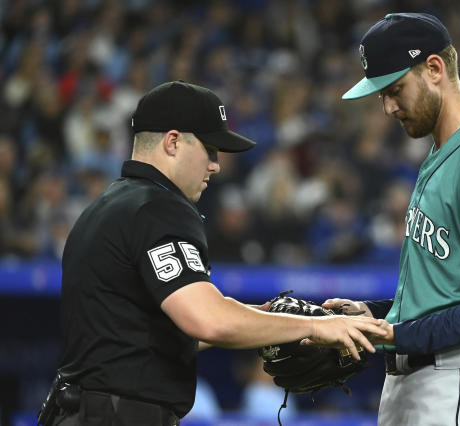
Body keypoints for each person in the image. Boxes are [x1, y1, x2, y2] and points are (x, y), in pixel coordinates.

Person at [39, 80, 388, 426]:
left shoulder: (110, 206)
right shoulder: (159, 208)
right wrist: (313, 326)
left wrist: (263, 317)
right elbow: (209, 320)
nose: (216, 164)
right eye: (209, 148)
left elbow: (154, 333)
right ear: (173, 142)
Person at [318, 13, 460, 425]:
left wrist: (400, 333)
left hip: (459, 380)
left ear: (434, 68)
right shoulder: (442, 152)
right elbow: (447, 291)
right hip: (426, 380)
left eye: (395, 90)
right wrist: (379, 315)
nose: (387, 107)